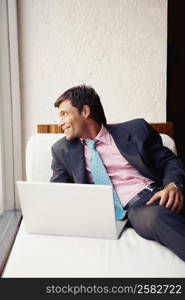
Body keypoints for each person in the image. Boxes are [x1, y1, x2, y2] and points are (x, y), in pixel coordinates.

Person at [50, 84, 185, 262]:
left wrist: (173, 186)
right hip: (132, 209)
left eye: (64, 114)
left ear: (85, 111)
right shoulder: (61, 150)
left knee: (161, 212)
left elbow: (169, 161)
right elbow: (57, 193)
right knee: (156, 217)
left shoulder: (136, 130)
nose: (60, 122)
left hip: (154, 194)